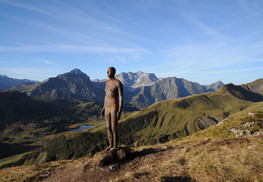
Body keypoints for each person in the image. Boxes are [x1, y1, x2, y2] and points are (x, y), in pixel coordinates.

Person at [101, 67, 123, 152]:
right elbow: (106, 96)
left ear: (113, 72)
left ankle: (115, 146)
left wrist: (119, 110)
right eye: (107, 71)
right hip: (107, 108)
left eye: (108, 71)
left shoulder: (118, 83)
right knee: (108, 127)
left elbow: (121, 97)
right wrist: (104, 107)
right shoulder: (107, 83)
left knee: (114, 128)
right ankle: (110, 145)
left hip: (114, 108)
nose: (107, 72)